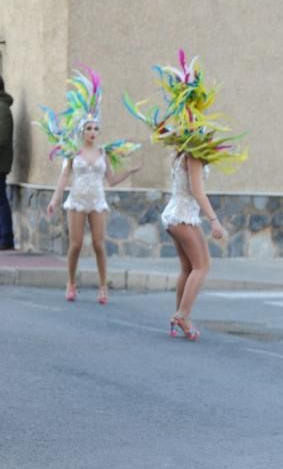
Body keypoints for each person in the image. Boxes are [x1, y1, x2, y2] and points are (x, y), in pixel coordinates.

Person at [124, 49, 246, 340]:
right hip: (182, 214)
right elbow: (197, 191)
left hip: (177, 213)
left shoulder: (183, 152)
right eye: (206, 131)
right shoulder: (192, 155)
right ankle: (181, 316)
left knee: (188, 267)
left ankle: (179, 315)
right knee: (202, 266)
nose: (211, 136)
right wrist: (214, 221)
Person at [37, 66, 141, 302]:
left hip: (96, 200)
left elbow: (112, 180)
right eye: (89, 128)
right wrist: (55, 199)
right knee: (74, 245)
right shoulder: (73, 152)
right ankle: (71, 282)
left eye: (96, 128)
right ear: (82, 130)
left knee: (98, 244)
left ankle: (103, 287)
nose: (93, 132)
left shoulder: (104, 153)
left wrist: (130, 171)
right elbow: (64, 177)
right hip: (76, 201)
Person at [0, 76, 13, 250]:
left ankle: (6, 238)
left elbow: (1, 138)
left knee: (1, 201)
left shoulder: (2, 108)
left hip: (0, 164)